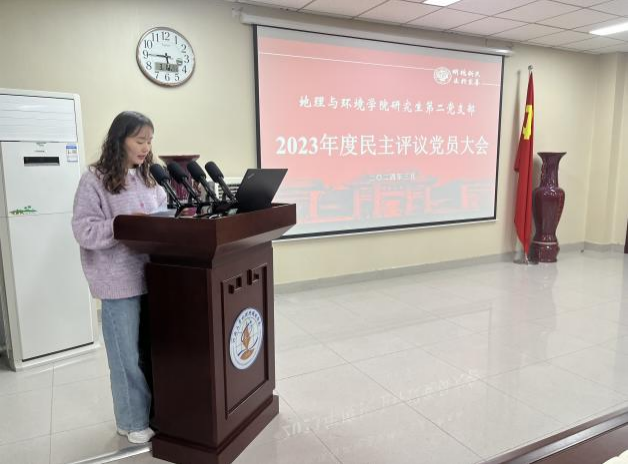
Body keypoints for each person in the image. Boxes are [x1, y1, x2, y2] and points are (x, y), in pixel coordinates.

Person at [71, 111, 167, 444]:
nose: (145, 148)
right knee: (125, 357)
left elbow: (162, 215)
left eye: (149, 141)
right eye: (139, 140)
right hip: (117, 282)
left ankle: (155, 414)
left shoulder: (149, 178)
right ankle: (132, 421)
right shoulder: (94, 179)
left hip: (153, 277)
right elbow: (83, 230)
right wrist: (122, 225)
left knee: (150, 354)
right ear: (119, 140)